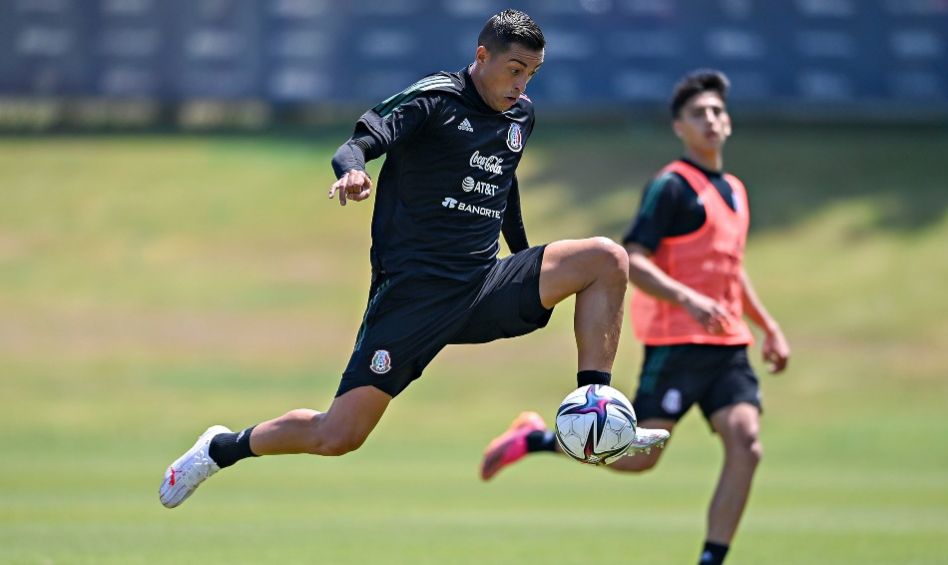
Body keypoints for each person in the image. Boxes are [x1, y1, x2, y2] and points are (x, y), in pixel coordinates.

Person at [158, 9, 669, 509]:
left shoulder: (520, 116)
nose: (522, 85)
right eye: (515, 71)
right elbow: (356, 144)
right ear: (482, 55)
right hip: (413, 296)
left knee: (606, 259)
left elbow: (503, 188)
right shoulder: (436, 98)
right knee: (337, 435)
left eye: (532, 74)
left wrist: (525, 261)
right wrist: (353, 172)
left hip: (482, 283)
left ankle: (597, 412)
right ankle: (219, 448)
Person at [479, 69, 790, 565]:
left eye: (716, 111)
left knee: (747, 444)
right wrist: (688, 299)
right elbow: (635, 260)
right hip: (678, 345)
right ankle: (536, 438)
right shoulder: (671, 187)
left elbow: (732, 271)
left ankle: (712, 558)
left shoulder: (735, 189)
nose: (710, 119)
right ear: (679, 128)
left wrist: (767, 326)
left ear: (727, 122)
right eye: (697, 114)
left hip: (729, 347)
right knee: (637, 457)